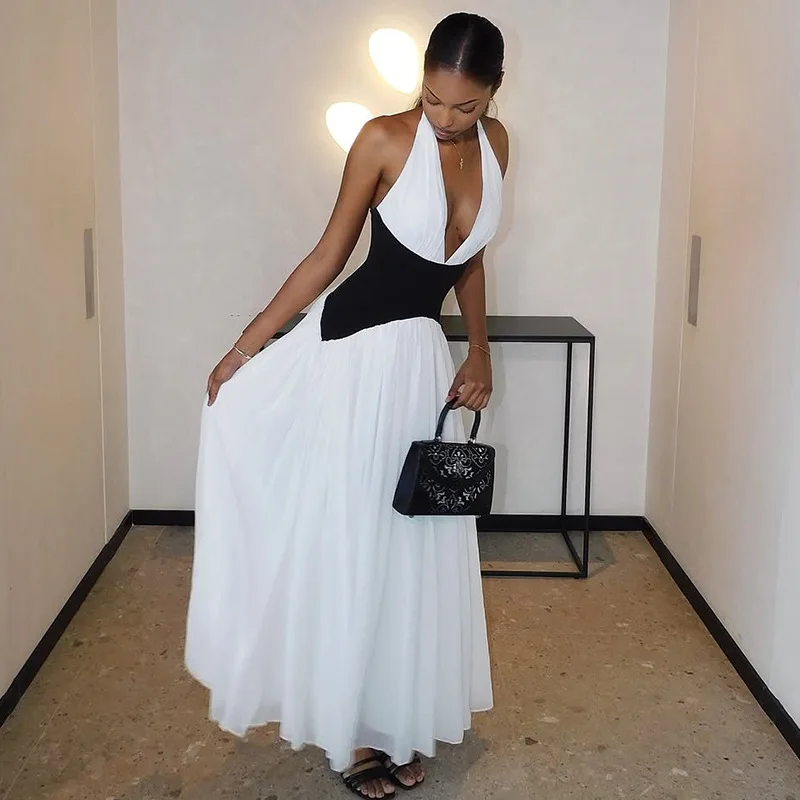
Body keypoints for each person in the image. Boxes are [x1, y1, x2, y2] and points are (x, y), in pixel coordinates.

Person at [184, 11, 508, 798]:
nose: (446, 118)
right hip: (355, 355)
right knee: (356, 538)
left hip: (420, 360)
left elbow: (469, 258)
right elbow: (330, 254)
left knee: (411, 542)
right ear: (421, 81)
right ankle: (351, 734)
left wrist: (479, 348)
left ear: (494, 93)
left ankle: (394, 716)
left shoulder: (498, 145)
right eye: (433, 99)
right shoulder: (382, 139)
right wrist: (244, 348)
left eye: (464, 106)